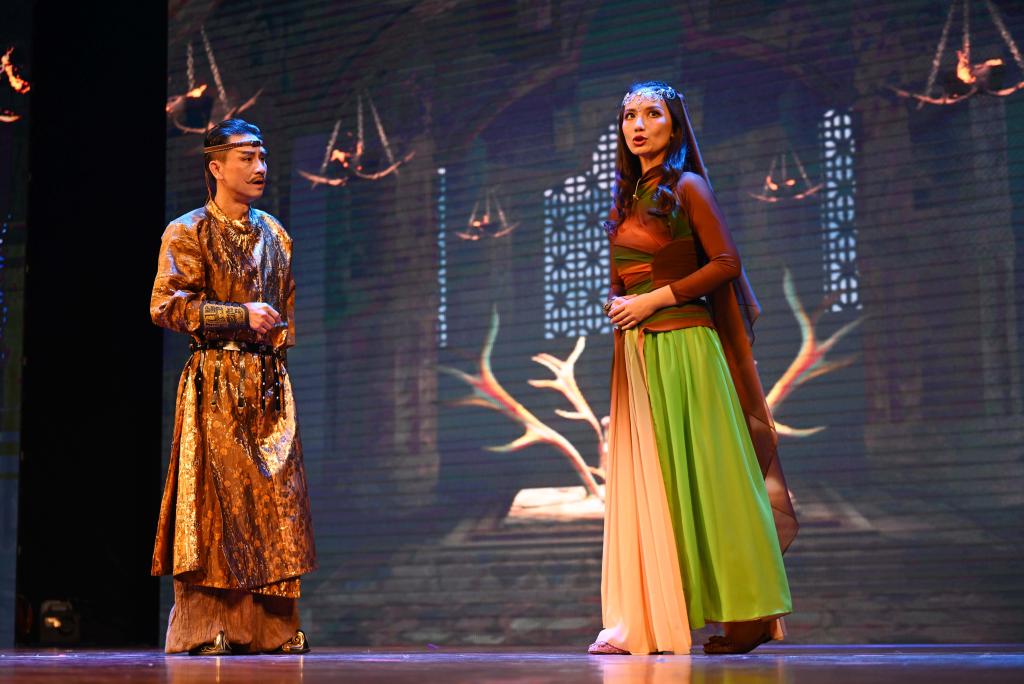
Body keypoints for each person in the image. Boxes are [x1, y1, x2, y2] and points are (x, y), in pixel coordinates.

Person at [588, 82, 799, 656]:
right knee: (655, 486)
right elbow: (626, 278)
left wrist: (654, 300)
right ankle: (654, 615)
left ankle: (748, 614)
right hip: (638, 354)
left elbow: (726, 262)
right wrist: (619, 304)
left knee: (711, 478)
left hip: (685, 346)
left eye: (652, 114)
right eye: (629, 116)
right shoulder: (628, 198)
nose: (638, 125)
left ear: (674, 126)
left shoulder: (687, 186)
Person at [150, 118, 317, 655]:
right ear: (216, 167)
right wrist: (238, 314)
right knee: (216, 504)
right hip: (216, 378)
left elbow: (285, 312)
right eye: (247, 158)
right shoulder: (188, 231)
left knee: (274, 504)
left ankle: (272, 627)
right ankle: (207, 626)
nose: (259, 167)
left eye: (262, 157)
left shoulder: (276, 234)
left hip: (267, 383)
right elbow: (166, 305)